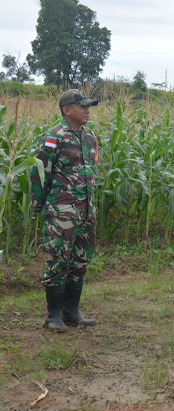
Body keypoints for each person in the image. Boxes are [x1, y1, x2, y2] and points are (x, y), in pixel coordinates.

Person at [30, 89, 100, 332]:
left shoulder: (90, 137)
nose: (87, 110)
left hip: (86, 210)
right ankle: (54, 316)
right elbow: (39, 173)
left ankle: (72, 312)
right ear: (66, 110)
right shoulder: (54, 137)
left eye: (88, 105)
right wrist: (39, 205)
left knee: (81, 260)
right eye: (82, 106)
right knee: (59, 261)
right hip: (61, 211)